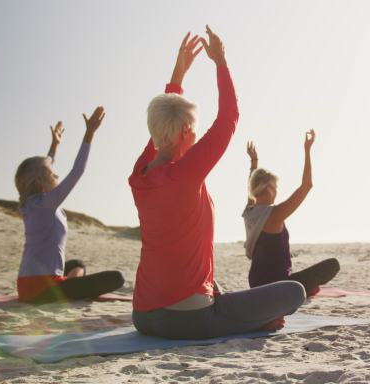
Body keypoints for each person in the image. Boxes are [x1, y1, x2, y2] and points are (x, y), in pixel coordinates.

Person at [129, 26, 305, 340]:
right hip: (187, 319)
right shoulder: (186, 172)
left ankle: (239, 315)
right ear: (184, 134)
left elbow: (161, 125)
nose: (195, 137)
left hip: (142, 315)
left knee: (217, 288)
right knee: (293, 292)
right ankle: (248, 322)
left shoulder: (140, 173)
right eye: (192, 132)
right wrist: (220, 62)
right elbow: (229, 117)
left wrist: (178, 75)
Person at [15, 108, 125, 304]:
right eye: (52, 174)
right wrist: (89, 134)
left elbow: (43, 167)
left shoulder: (30, 205)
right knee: (117, 278)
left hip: (26, 285)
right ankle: (69, 288)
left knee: (77, 264)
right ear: (41, 183)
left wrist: (54, 146)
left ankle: (70, 285)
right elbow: (78, 170)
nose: (56, 175)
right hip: (43, 289)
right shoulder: (48, 203)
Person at [243, 132, 340, 296]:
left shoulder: (249, 211)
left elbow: (252, 186)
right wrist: (307, 150)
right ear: (269, 188)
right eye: (275, 187)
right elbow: (306, 186)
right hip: (279, 285)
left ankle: (306, 289)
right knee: (333, 265)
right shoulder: (274, 215)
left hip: (256, 282)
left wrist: (254, 162)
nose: (277, 191)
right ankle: (304, 291)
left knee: (307, 282)